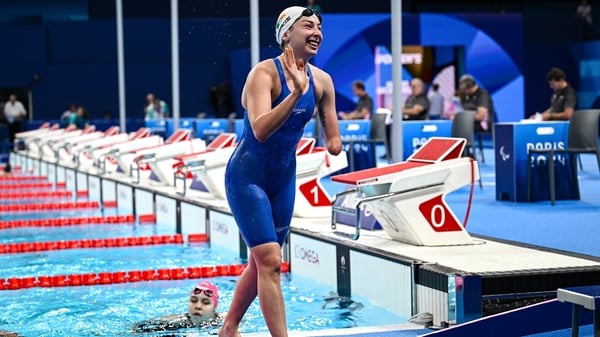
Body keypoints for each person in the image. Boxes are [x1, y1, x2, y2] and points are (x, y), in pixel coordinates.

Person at [219, 6, 342, 337]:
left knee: (263, 262)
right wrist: (296, 95)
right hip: (248, 177)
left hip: (283, 180)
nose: (317, 31)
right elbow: (260, 130)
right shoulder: (263, 74)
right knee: (271, 262)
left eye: (320, 25)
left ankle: (229, 327)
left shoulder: (323, 81)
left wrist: (333, 142)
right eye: (308, 25)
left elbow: (333, 138)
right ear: (286, 34)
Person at [132, 280, 223, 333]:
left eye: (205, 302)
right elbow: (138, 328)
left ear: (215, 306)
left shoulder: (224, 322)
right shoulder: (176, 322)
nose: (198, 306)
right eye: (193, 301)